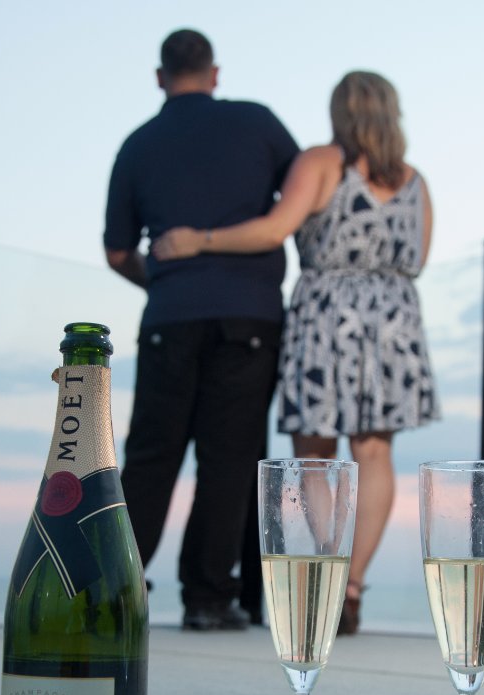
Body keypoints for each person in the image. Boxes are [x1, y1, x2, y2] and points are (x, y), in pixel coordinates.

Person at [152, 70, 438, 636]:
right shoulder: (414, 180)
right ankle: (352, 590)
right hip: (394, 315)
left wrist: (198, 240)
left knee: (316, 455)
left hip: (328, 310)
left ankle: (329, 586)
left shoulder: (322, 162)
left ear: (341, 111)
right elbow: (420, 258)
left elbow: (274, 228)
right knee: (375, 454)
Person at [103, 29, 299, 631]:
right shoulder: (259, 123)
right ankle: (209, 601)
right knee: (230, 459)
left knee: (151, 457)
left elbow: (116, 253)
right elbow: (304, 197)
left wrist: (162, 280)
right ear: (215, 74)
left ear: (160, 78)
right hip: (252, 317)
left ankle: (112, 595)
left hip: (170, 319)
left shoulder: (137, 144)